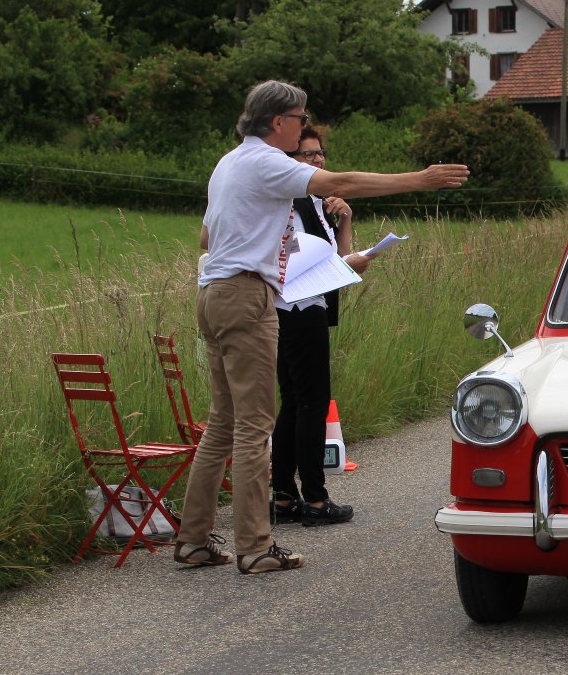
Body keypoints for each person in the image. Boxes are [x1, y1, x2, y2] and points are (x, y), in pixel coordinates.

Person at [175, 79, 468, 574]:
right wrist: (420, 179)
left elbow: (208, 234)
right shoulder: (267, 161)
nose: (304, 127)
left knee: (223, 423)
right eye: (300, 118)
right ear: (277, 121)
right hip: (246, 297)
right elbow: (341, 182)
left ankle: (194, 539)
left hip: (214, 293)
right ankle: (255, 546)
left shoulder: (230, 162)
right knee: (254, 427)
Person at [270, 124, 363, 529]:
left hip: (302, 306)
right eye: (307, 155)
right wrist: (347, 264)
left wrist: (345, 219)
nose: (317, 160)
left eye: (320, 153)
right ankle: (315, 498)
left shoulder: (316, 202)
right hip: (297, 307)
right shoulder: (291, 203)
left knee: (294, 401)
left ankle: (284, 495)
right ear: (291, 161)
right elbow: (295, 258)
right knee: (311, 402)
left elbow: (340, 257)